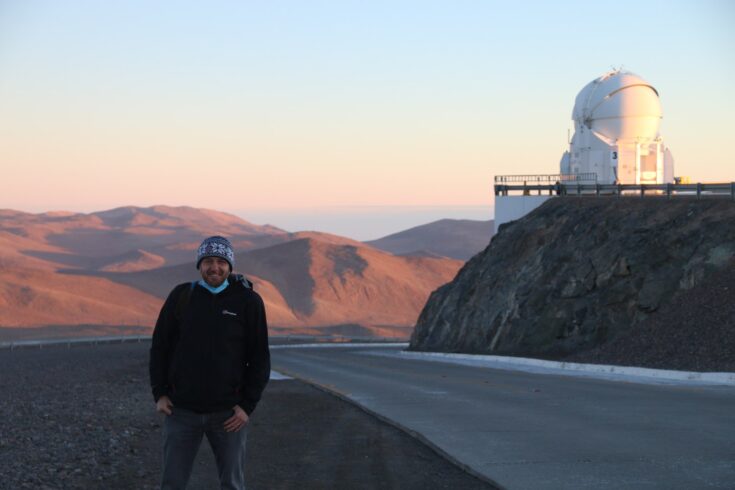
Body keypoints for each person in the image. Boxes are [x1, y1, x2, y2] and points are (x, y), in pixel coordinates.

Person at [149, 235, 270, 490]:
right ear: (199, 265)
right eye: (208, 261)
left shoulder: (248, 302)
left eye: (220, 261)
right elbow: (160, 347)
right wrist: (159, 393)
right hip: (181, 412)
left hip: (228, 414)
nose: (214, 267)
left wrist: (246, 406)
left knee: (232, 484)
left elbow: (259, 358)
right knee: (172, 483)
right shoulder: (182, 296)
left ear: (229, 265)